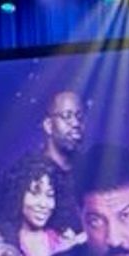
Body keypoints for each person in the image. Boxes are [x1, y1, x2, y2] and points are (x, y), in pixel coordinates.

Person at [0, 151, 74, 256]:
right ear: (17, 194)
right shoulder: (6, 245)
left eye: (49, 195)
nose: (43, 204)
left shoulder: (62, 237)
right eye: (35, 193)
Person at [38, 88, 87, 234]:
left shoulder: (90, 170)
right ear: (48, 125)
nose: (75, 123)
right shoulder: (33, 175)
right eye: (67, 116)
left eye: (79, 116)